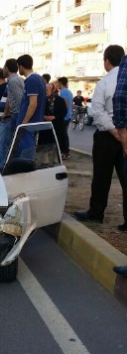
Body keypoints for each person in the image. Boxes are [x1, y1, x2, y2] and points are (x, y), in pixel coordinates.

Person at [74, 45, 127, 230]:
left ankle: (96, 213)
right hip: (125, 135)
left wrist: (114, 131)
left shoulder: (105, 82)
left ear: (106, 61)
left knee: (101, 178)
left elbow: (97, 111)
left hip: (107, 136)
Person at [14, 54, 46, 158]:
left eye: (18, 67)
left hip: (28, 125)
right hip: (34, 123)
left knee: (26, 154)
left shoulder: (31, 80)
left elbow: (33, 103)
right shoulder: (39, 79)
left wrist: (24, 123)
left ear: (21, 66)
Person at [0, 58, 25, 169]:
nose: (3, 69)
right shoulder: (13, 80)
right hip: (12, 114)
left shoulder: (13, 81)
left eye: (4, 67)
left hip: (16, 115)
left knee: (10, 143)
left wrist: (12, 114)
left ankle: (6, 167)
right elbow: (10, 97)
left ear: (7, 68)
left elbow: (19, 100)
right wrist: (6, 111)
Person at [39, 83, 67, 154]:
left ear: (53, 90)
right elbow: (39, 111)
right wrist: (44, 116)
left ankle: (56, 159)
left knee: (56, 143)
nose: (45, 91)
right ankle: (46, 160)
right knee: (45, 143)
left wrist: (55, 117)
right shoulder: (43, 100)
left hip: (57, 125)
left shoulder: (60, 100)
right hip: (46, 125)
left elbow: (64, 112)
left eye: (47, 90)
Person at [57, 77, 73, 159]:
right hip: (69, 116)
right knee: (65, 135)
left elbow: (65, 104)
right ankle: (66, 152)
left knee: (63, 136)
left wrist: (61, 115)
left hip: (65, 117)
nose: (57, 85)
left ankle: (65, 153)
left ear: (60, 83)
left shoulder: (63, 92)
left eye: (58, 83)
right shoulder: (69, 92)